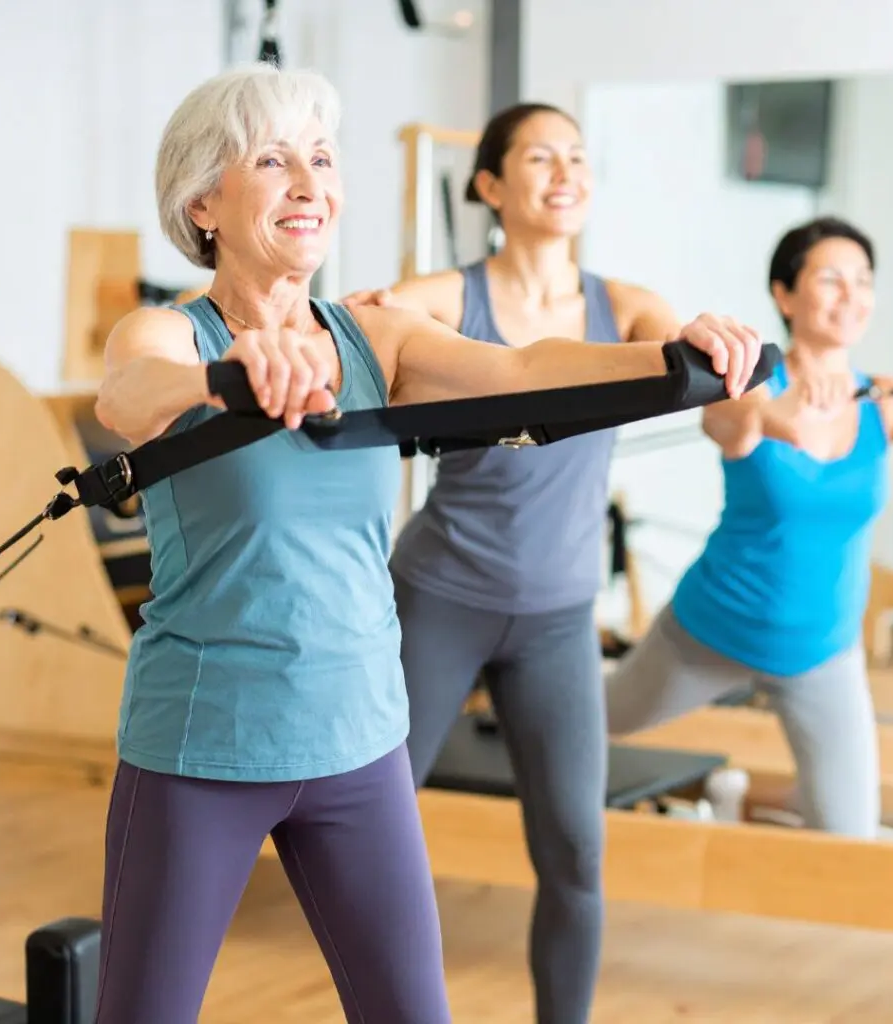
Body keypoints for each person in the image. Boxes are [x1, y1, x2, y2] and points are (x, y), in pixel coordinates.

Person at [88, 67, 762, 1024]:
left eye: (320, 160)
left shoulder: (376, 337)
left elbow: (525, 370)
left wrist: (675, 361)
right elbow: (126, 399)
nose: (308, 184)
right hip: (206, 743)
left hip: (360, 737)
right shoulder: (168, 332)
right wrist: (224, 376)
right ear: (203, 200)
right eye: (272, 161)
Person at [342, 101, 762, 1024]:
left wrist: (724, 355)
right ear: (491, 184)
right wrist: (361, 316)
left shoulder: (626, 306)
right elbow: (359, 322)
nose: (565, 173)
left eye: (577, 157)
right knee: (373, 830)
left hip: (560, 620)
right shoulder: (454, 295)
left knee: (575, 851)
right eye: (540, 157)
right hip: (439, 594)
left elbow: (697, 361)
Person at [607, 215, 893, 840]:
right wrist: (780, 412)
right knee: (595, 718)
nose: (851, 295)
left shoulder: (884, 400)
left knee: (850, 838)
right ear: (784, 293)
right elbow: (730, 423)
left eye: (863, 280)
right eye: (831, 278)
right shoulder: (746, 382)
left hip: (823, 655)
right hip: (711, 630)